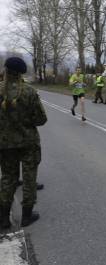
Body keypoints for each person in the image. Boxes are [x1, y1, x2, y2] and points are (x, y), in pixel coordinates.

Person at [0, 57, 47, 228]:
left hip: (5, 145)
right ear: (21, 73)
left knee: (8, 178)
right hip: (28, 143)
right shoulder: (29, 92)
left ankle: (4, 218)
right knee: (29, 178)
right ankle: (27, 216)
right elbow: (41, 119)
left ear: (5, 70)